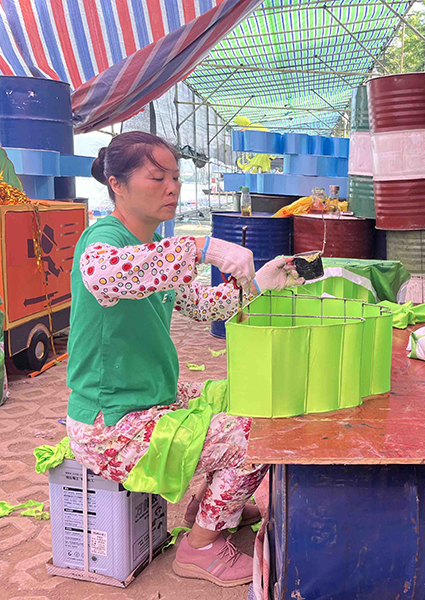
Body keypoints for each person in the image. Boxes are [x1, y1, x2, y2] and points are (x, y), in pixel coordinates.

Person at [65, 131, 301, 587]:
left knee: (250, 398)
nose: (172, 188)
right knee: (252, 437)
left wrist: (262, 282)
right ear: (117, 184)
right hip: (110, 423)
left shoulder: (155, 246)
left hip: (152, 399)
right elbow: (105, 275)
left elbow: (205, 306)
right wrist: (202, 247)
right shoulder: (103, 241)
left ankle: (210, 507)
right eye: (157, 178)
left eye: (175, 177)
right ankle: (201, 547)